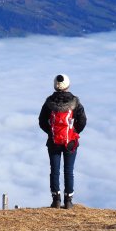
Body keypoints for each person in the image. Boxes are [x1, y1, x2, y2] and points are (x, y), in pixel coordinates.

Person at [38, 74, 86, 209]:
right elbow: (82, 121)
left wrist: (51, 132)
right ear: (68, 85)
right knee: (68, 171)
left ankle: (56, 200)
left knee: (54, 171)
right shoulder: (75, 103)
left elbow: (41, 121)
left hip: (53, 142)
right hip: (70, 142)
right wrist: (74, 132)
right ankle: (69, 201)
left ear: (55, 86)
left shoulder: (49, 103)